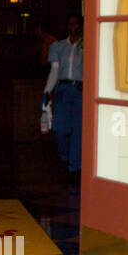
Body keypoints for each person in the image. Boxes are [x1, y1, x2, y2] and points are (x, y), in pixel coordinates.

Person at [43, 14, 83, 174]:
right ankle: (65, 159)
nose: (73, 26)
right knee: (59, 128)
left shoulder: (86, 45)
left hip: (80, 89)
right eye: (70, 23)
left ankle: (74, 167)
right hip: (63, 89)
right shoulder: (58, 46)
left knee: (78, 130)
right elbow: (54, 70)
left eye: (76, 23)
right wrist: (47, 91)